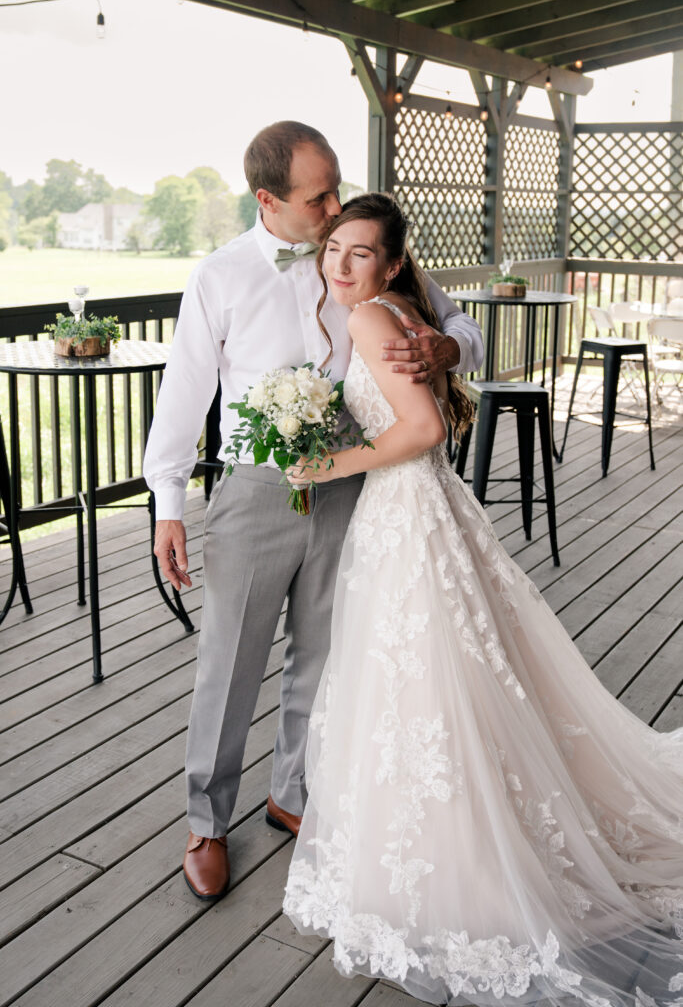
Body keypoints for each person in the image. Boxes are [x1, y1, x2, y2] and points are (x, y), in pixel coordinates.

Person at [283, 193, 683, 1007]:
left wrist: (329, 464)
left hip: (403, 514)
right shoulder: (393, 309)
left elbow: (423, 430)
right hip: (418, 513)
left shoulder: (369, 318)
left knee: (423, 681)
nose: (339, 264)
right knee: (444, 676)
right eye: (332, 249)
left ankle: (458, 866)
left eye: (358, 252)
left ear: (390, 263)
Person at [142, 122, 484, 901]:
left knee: (324, 655)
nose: (334, 211)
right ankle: (205, 822)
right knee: (229, 661)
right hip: (256, 489)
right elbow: (184, 393)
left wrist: (443, 349)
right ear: (268, 200)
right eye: (317, 197)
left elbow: (459, 321)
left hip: (354, 487)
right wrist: (167, 506)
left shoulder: (360, 254)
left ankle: (291, 795)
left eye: (337, 187)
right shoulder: (221, 276)